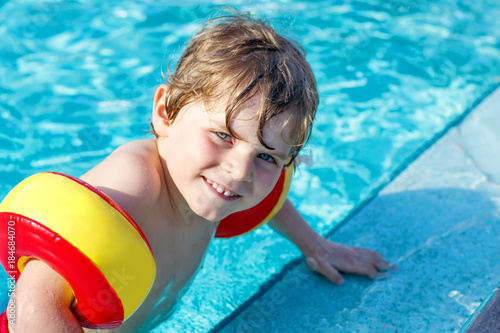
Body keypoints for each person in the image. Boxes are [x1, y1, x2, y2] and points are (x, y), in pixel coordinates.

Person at [5, 12, 391, 333]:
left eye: (267, 156)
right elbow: (36, 294)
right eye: (223, 135)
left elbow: (271, 199)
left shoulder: (216, 184)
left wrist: (316, 246)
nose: (239, 170)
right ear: (166, 112)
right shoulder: (133, 185)